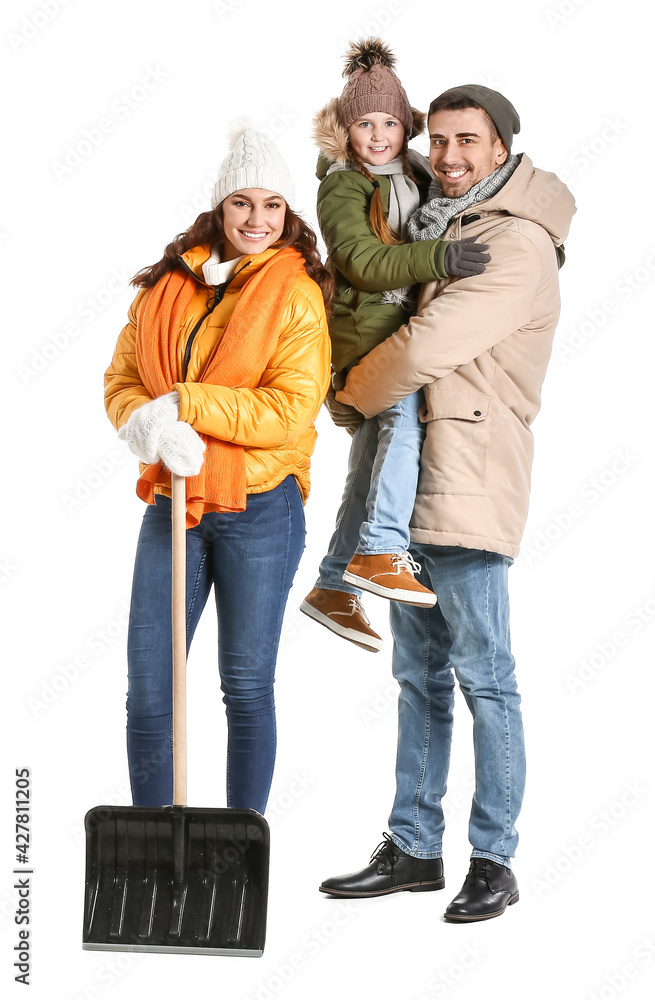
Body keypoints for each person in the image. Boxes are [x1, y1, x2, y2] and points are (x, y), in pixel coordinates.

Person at [319, 85, 576, 921]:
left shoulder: (516, 244)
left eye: (467, 140)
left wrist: (350, 392)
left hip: (467, 478)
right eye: (440, 140)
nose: (450, 155)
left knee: (484, 680)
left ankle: (492, 861)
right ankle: (412, 847)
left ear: (502, 147)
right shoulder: (444, 220)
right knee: (415, 678)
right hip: (414, 475)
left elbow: (427, 343)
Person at [104, 124, 332, 815]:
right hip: (171, 499)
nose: (256, 220)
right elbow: (120, 380)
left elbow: (288, 411)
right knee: (150, 684)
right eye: (242, 204)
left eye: (271, 205)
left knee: (244, 683)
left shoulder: (296, 296)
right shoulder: (168, 286)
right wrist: (146, 423)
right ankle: (150, 838)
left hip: (258, 509)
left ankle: (238, 842)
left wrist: (186, 405)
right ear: (219, 206)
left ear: (288, 213)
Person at [300, 39, 489, 652]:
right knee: (403, 428)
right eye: (363, 123)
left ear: (403, 123)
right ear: (346, 129)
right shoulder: (344, 186)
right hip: (364, 336)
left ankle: (333, 586)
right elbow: (359, 260)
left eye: (388, 121)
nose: (377, 135)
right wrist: (438, 258)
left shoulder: (412, 171)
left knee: (369, 466)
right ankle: (381, 549)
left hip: (399, 328)